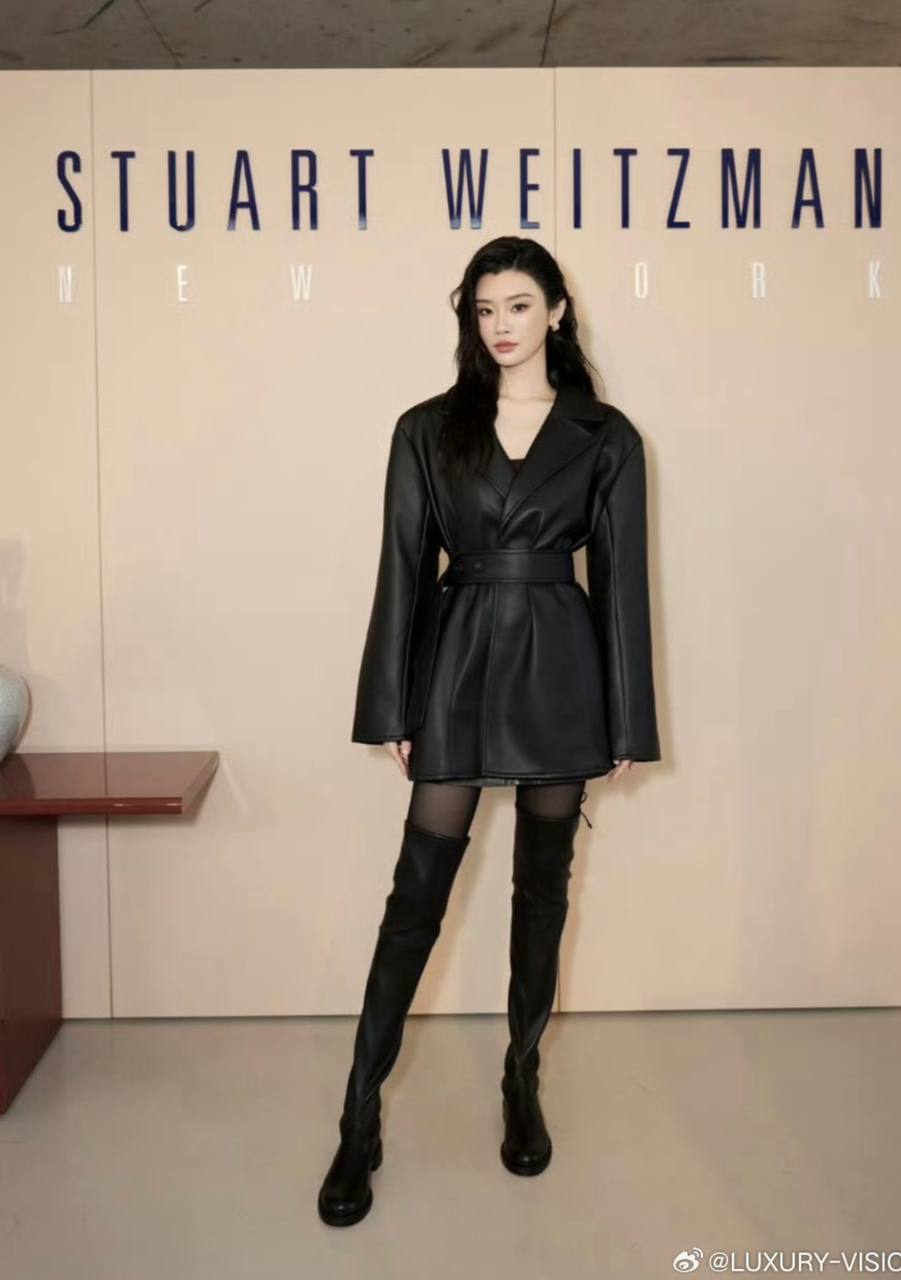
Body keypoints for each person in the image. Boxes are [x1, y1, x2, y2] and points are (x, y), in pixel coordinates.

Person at [318, 235, 661, 1227]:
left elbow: (622, 584)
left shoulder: (605, 435)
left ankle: (519, 1076)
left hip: (560, 670)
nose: (500, 324)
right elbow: (401, 567)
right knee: (414, 899)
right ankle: (357, 1117)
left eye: (517, 304)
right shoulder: (427, 429)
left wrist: (626, 715)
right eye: (483, 308)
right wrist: (393, 705)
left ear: (556, 310)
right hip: (457, 661)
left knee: (542, 891)